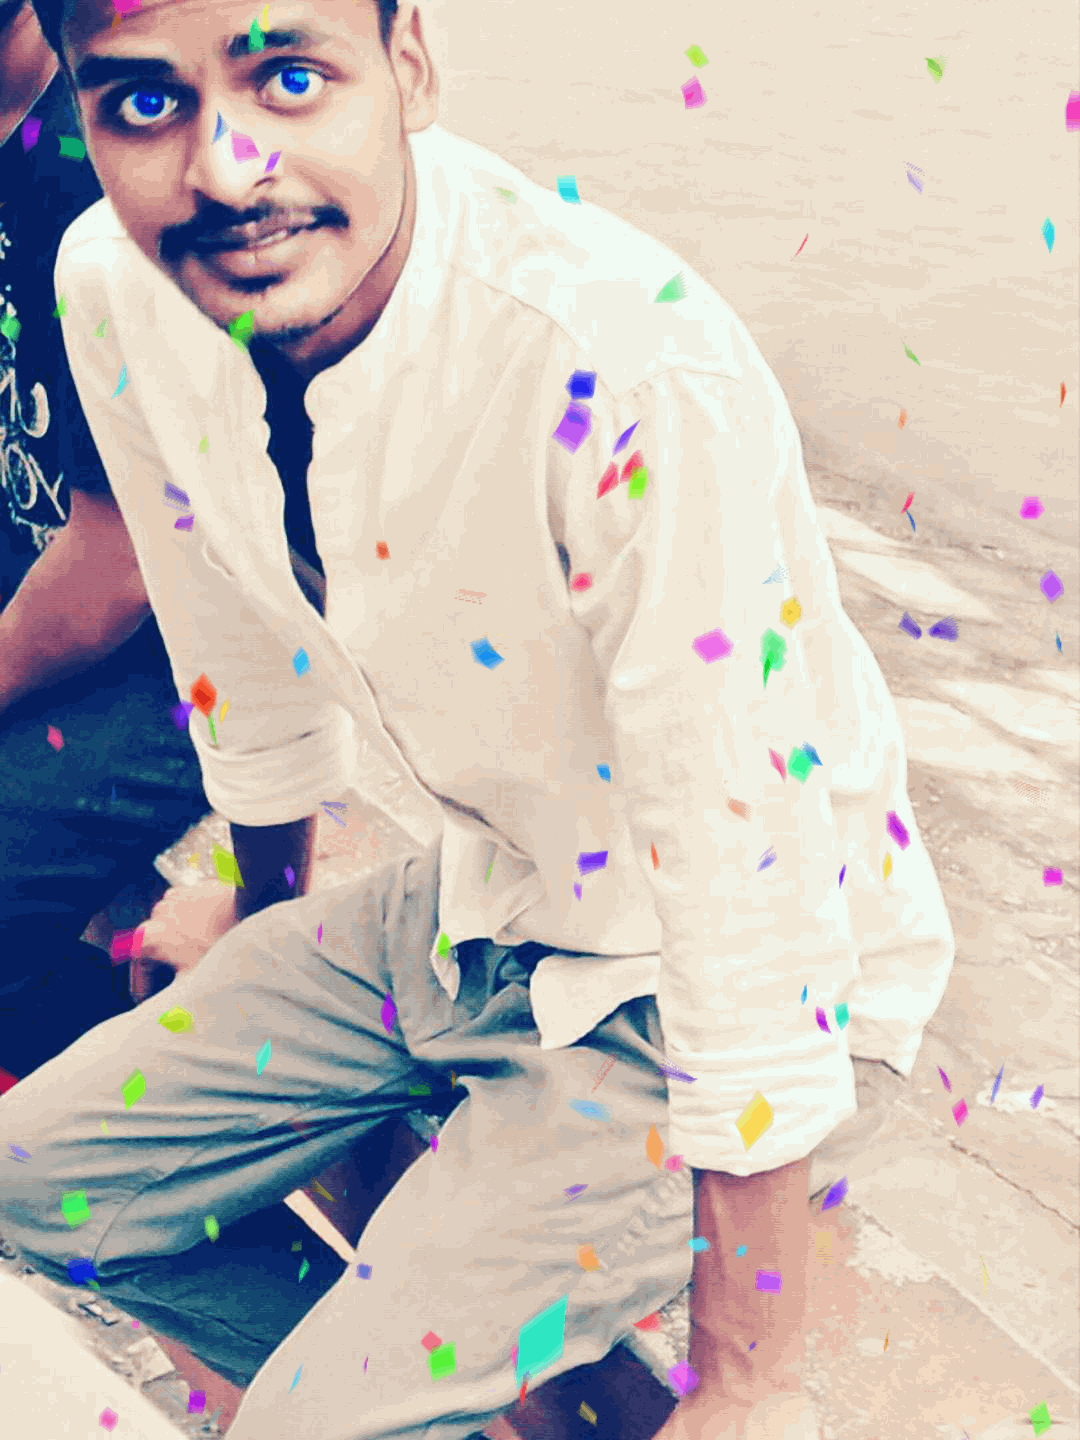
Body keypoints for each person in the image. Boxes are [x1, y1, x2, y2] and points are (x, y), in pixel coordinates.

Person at [0, 2, 955, 1438]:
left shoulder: (623, 364)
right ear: (83, 116)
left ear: (412, 66)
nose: (225, 169)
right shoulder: (113, 283)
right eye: (144, 103)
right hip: (476, 901)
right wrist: (263, 924)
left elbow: (745, 873)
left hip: (724, 958)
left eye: (288, 75)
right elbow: (238, 662)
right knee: (38, 1183)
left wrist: (748, 1383)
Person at [0, 0, 209, 1086]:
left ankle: (99, 1085)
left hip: (174, 646)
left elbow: (121, 567)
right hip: (44, 563)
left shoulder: (95, 191)